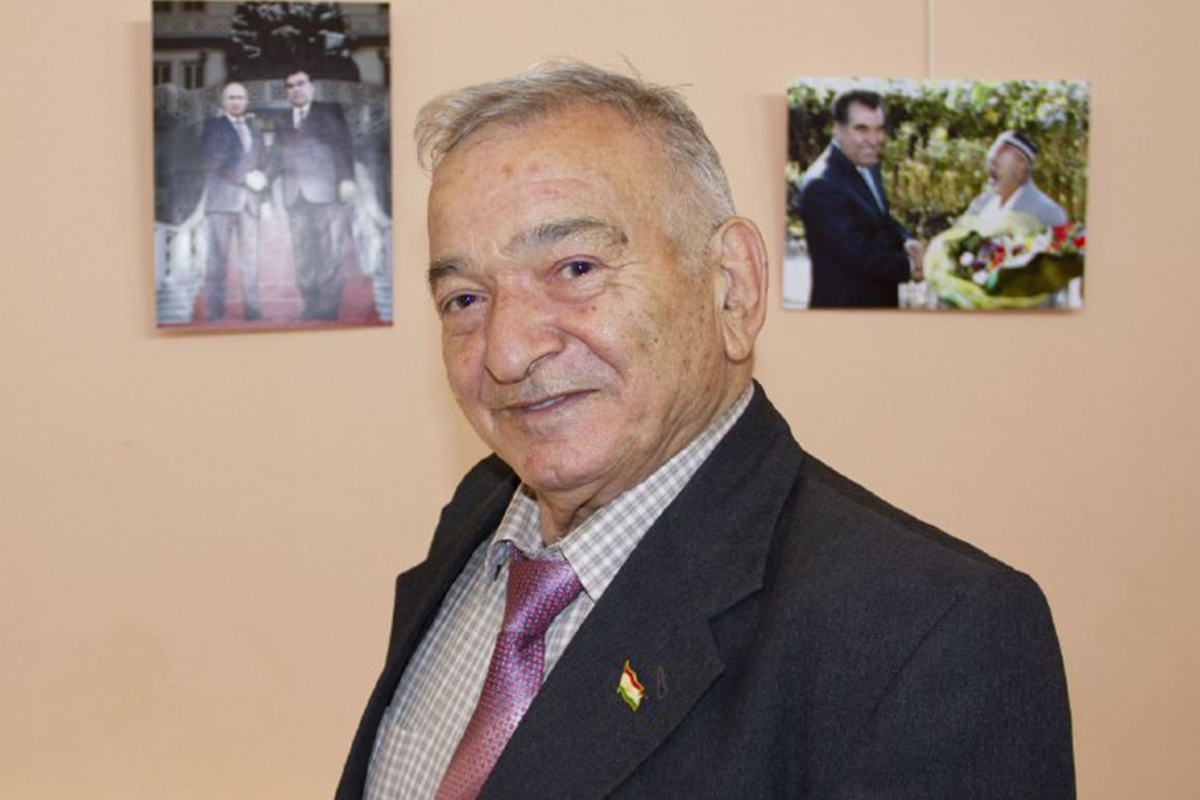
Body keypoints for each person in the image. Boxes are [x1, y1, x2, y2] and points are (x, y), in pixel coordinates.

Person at [337, 63, 1074, 800]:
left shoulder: (931, 638)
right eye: (464, 299)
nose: (506, 351)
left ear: (733, 286)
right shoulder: (479, 515)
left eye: (575, 267)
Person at [797, 89, 924, 308]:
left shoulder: (867, 162)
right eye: (862, 129)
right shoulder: (820, 185)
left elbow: (880, 217)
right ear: (837, 129)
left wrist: (906, 240)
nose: (874, 140)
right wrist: (914, 267)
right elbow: (859, 256)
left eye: (879, 129)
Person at [272, 69, 357, 320]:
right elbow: (275, 157)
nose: (295, 89)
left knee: (331, 250)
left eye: (300, 83)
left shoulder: (329, 111)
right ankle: (310, 306)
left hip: (326, 191)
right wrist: (262, 179)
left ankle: (328, 309)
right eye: (290, 86)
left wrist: (346, 178)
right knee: (302, 253)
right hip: (294, 195)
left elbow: (343, 145)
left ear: (311, 86)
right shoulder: (281, 119)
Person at [200, 81, 267, 321]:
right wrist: (245, 177)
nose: (236, 102)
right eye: (231, 97)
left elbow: (262, 163)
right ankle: (215, 311)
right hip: (221, 202)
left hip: (250, 202)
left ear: (246, 101)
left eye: (240, 97)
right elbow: (214, 159)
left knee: (250, 259)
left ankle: (253, 310)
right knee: (217, 259)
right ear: (223, 101)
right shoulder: (213, 126)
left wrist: (264, 196)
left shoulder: (255, 128)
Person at [964, 130, 1069, 232]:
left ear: (1021, 164)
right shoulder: (981, 204)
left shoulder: (1048, 212)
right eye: (989, 162)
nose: (990, 170)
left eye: (996, 163)